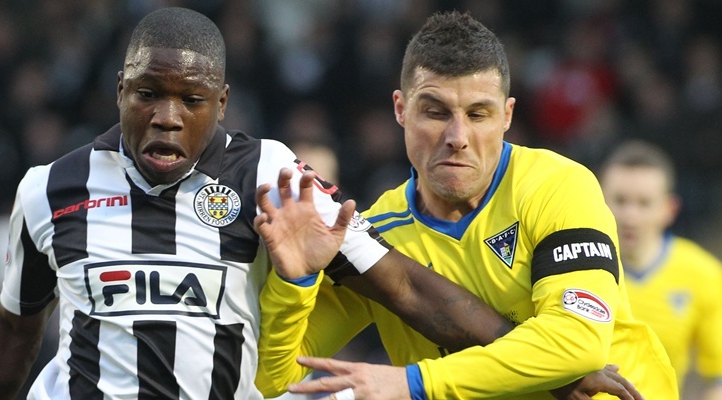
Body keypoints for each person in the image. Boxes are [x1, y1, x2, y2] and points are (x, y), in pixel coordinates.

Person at [0, 7, 620, 400]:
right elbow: (14, 327)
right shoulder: (50, 188)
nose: (165, 117)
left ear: (221, 103)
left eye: (190, 101)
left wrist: (552, 382)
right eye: (147, 94)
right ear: (119, 90)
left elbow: (402, 287)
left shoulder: (269, 173)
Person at [254, 10, 679, 400]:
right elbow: (275, 378)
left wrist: (412, 383)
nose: (457, 136)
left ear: (507, 116)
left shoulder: (557, 186)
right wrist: (295, 284)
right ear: (401, 110)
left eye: (478, 114)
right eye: (436, 112)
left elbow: (578, 343)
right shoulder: (374, 235)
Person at [598, 140, 722, 399]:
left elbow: (718, 378)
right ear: (598, 200)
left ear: (669, 209)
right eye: (620, 201)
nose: (630, 216)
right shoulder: (574, 265)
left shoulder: (703, 274)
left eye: (644, 203)